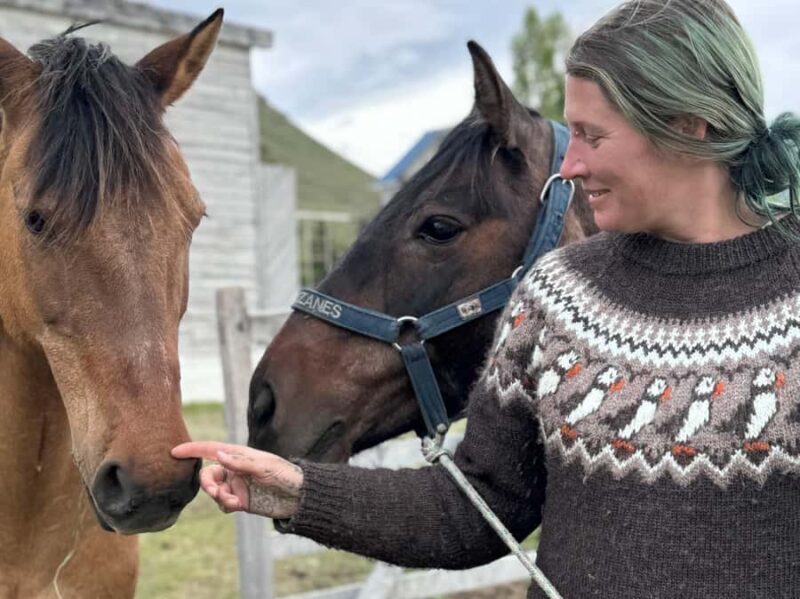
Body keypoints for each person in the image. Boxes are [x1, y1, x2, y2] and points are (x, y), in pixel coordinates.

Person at [173, 0, 800, 596]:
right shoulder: (558, 296)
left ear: (691, 126)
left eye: (592, 136)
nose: (571, 165)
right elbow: (476, 505)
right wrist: (298, 492)